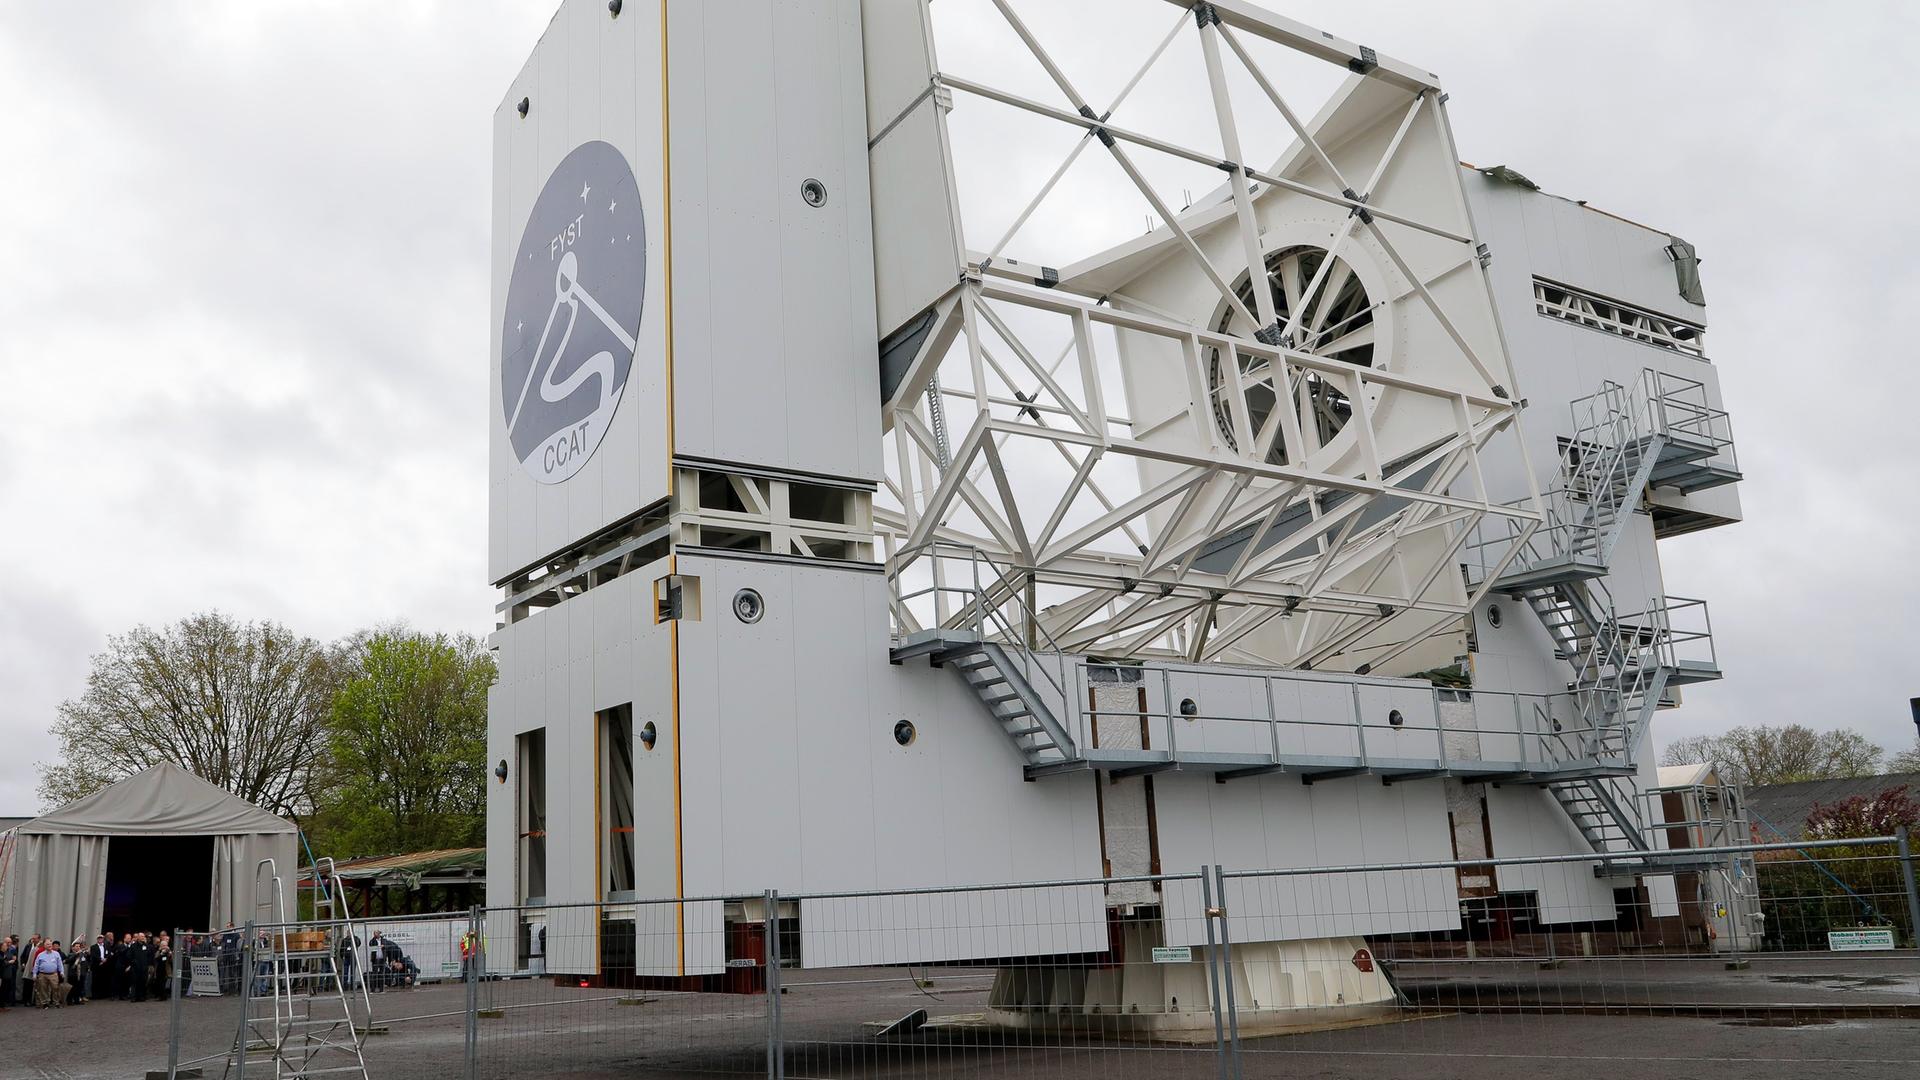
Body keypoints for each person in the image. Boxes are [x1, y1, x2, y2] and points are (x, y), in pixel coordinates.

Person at [31, 934, 66, 1008]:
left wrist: (62, 972)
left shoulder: (56, 954)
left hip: (53, 974)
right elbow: (36, 965)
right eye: (47, 944)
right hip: (42, 975)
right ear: (44, 945)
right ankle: (45, 1003)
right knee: (43, 989)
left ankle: (56, 1003)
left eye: (50, 944)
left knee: (55, 988)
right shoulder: (40, 955)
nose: (49, 945)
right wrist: (34, 974)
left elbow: (60, 964)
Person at [126, 932, 152, 1002]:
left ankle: (141, 997)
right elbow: (129, 956)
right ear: (138, 937)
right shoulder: (133, 946)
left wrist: (147, 964)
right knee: (134, 983)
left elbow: (150, 955)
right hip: (135, 968)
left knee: (142, 982)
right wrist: (133, 962)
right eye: (141, 936)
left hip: (144, 968)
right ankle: (133, 997)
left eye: (144, 936)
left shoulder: (146, 946)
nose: (143, 937)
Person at [92, 934, 113, 1003]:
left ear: (103, 939)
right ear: (97, 939)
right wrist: (100, 959)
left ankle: (102, 994)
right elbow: (94, 955)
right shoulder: (93, 947)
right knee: (95, 980)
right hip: (97, 965)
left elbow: (109, 954)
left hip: (104, 966)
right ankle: (95, 995)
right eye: (99, 938)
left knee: (103, 979)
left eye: (101, 938)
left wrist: (105, 960)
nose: (100, 939)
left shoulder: (107, 946)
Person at [0, 935, 18, 1009]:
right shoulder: (1, 954)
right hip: (2, 974)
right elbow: (2, 963)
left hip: (8, 974)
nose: (8, 945)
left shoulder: (11, 950)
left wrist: (12, 961)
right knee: (2, 990)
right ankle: (1, 1005)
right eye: (6, 944)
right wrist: (9, 962)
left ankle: (3, 1005)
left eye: (10, 942)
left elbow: (14, 959)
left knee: (6, 989)